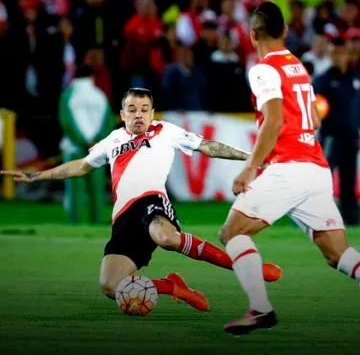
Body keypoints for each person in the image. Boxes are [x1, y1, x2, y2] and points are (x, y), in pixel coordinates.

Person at [1, 87, 279, 312]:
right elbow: (82, 165)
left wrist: (251, 158)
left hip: (152, 202)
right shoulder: (112, 140)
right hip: (124, 218)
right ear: (122, 114)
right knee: (111, 286)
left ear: (152, 112)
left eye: (144, 109)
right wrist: (38, 176)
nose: (139, 115)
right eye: (132, 109)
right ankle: (172, 287)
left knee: (165, 236)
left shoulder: (166, 131)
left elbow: (208, 146)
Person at [219, 2, 360, 336]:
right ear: (284, 31)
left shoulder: (262, 69)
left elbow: (274, 120)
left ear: (252, 34)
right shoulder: (297, 66)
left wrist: (249, 169)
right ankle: (260, 309)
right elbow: (312, 113)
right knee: (337, 253)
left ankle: (260, 309)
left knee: (233, 233)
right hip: (315, 169)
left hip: (290, 167)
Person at [59, 64, 115, 224]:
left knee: (75, 189)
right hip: (96, 150)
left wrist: (82, 141)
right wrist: (96, 141)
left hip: (74, 149)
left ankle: (74, 222)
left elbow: (66, 122)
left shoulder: (68, 95)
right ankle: (95, 222)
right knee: (96, 189)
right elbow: (108, 122)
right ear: (92, 77)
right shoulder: (100, 95)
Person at [314, 37, 360, 225]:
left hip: (350, 137)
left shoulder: (355, 77)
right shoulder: (323, 80)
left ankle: (350, 219)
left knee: (349, 180)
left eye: (341, 53)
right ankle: (317, 217)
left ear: (348, 54)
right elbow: (315, 105)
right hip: (331, 136)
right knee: (324, 179)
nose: (337, 57)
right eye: (334, 53)